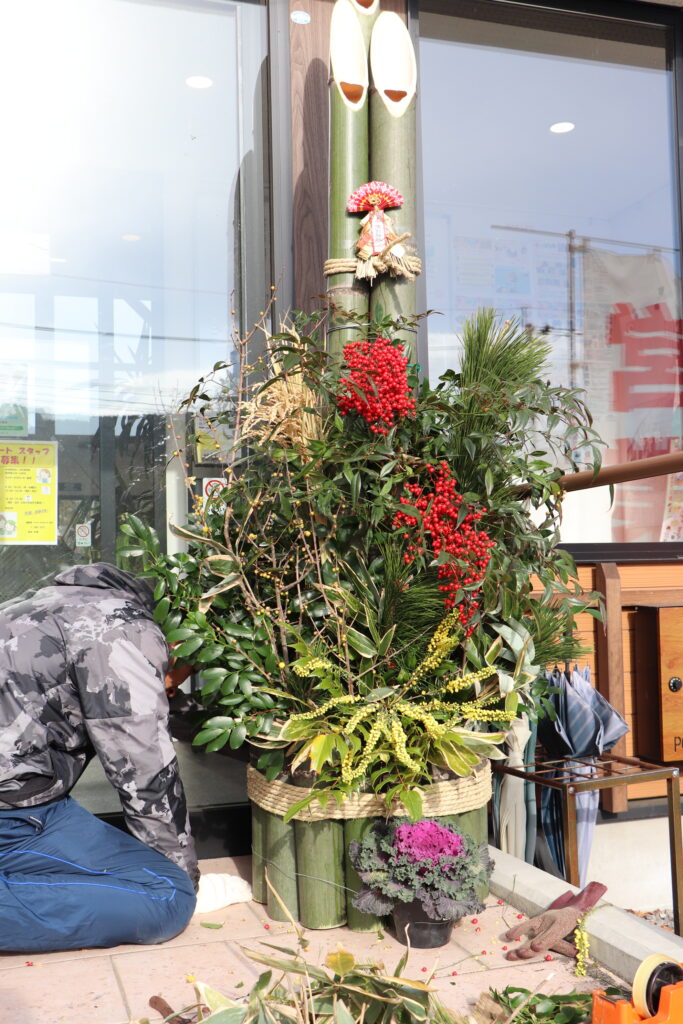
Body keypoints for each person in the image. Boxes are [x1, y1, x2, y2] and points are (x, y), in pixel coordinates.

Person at [0, 562, 247, 953]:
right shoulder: (123, 632)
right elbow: (144, 771)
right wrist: (185, 884)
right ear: (181, 642)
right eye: (189, 669)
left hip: (30, 800)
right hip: (14, 814)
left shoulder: (65, 603)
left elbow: (152, 708)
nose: (175, 682)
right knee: (166, 899)